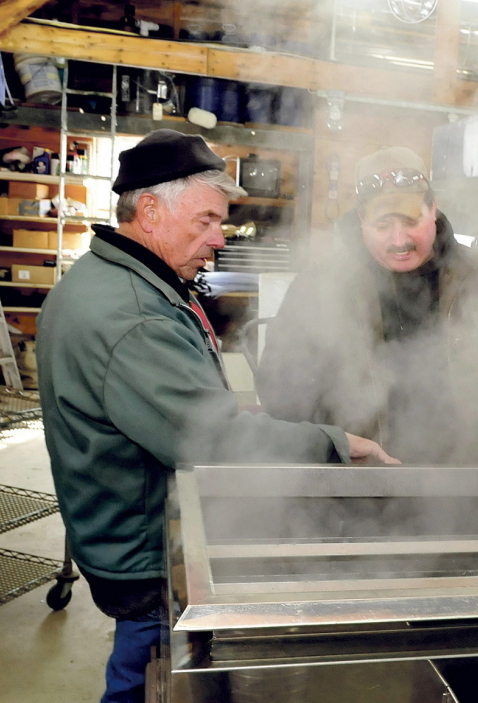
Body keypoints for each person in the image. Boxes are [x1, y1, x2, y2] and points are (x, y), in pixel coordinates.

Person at [36, 129, 395, 703]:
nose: (219, 238)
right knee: (148, 677)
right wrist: (336, 443)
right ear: (149, 210)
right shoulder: (133, 315)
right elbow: (213, 441)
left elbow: (168, 407)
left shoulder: (119, 282)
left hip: (122, 534)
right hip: (145, 553)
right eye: (205, 220)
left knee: (144, 670)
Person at [255, 146, 478, 466]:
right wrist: (332, 446)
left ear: (433, 209)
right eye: (384, 225)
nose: (399, 239)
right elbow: (281, 387)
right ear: (361, 219)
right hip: (356, 486)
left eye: (411, 220)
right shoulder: (321, 285)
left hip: (461, 483)